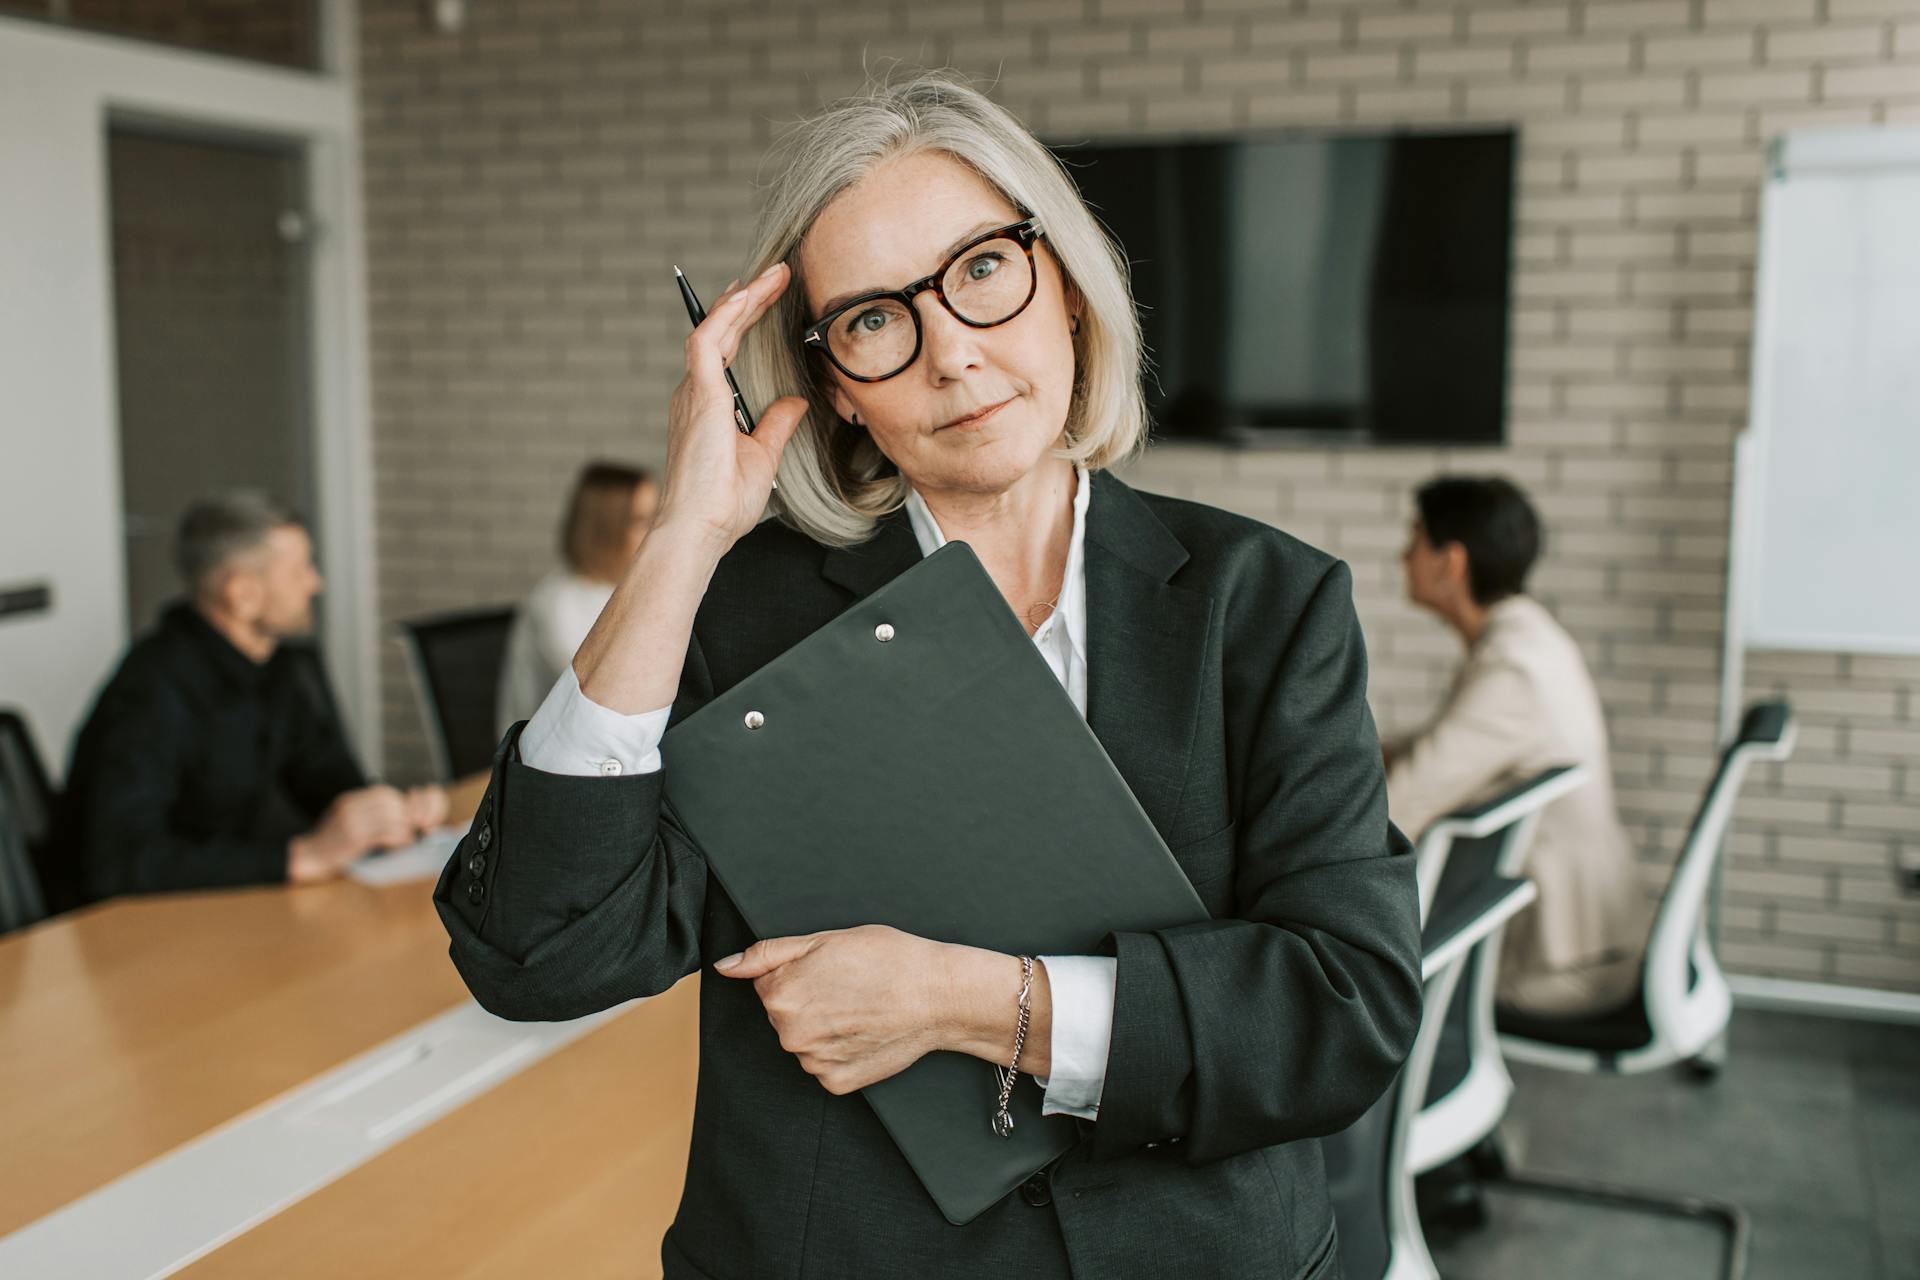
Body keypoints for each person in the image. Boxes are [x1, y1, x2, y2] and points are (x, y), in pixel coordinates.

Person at [436, 75, 1420, 1280]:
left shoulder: (1264, 603)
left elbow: (1347, 1005)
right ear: (836, 382)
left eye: (982, 271)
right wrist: (683, 539)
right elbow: (536, 953)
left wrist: (969, 1000)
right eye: (873, 319)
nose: (953, 352)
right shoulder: (744, 615)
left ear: (1061, 283)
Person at [53, 493, 447, 910]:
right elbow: (122, 863)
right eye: (300, 570)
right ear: (243, 594)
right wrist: (303, 856)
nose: (316, 583)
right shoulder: (151, 689)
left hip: (216, 913)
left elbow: (325, 778)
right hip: (121, 934)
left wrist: (392, 815)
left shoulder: (274, 666)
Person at [1385, 475, 1650, 1018]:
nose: (1401, 556)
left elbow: (1399, 806)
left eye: (1414, 540)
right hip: (1584, 939)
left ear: (1450, 563)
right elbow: (1438, 749)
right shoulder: (1528, 639)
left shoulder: (1512, 670)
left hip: (1564, 966)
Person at [495, 461, 659, 734]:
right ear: (605, 529)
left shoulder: (625, 590)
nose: (655, 532)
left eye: (657, 517)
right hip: (550, 760)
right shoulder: (559, 605)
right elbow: (605, 699)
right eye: (641, 521)